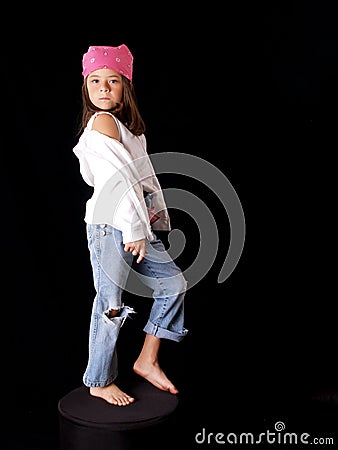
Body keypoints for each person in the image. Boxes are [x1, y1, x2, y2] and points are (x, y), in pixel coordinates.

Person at [72, 44, 188, 406]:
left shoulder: (128, 130)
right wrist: (136, 230)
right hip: (112, 226)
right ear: (86, 88)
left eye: (112, 80)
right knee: (110, 303)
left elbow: (140, 179)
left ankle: (146, 359)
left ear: (125, 87)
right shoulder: (101, 122)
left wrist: (151, 218)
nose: (103, 87)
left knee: (173, 284)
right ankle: (99, 379)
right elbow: (113, 183)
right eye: (95, 80)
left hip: (136, 223)